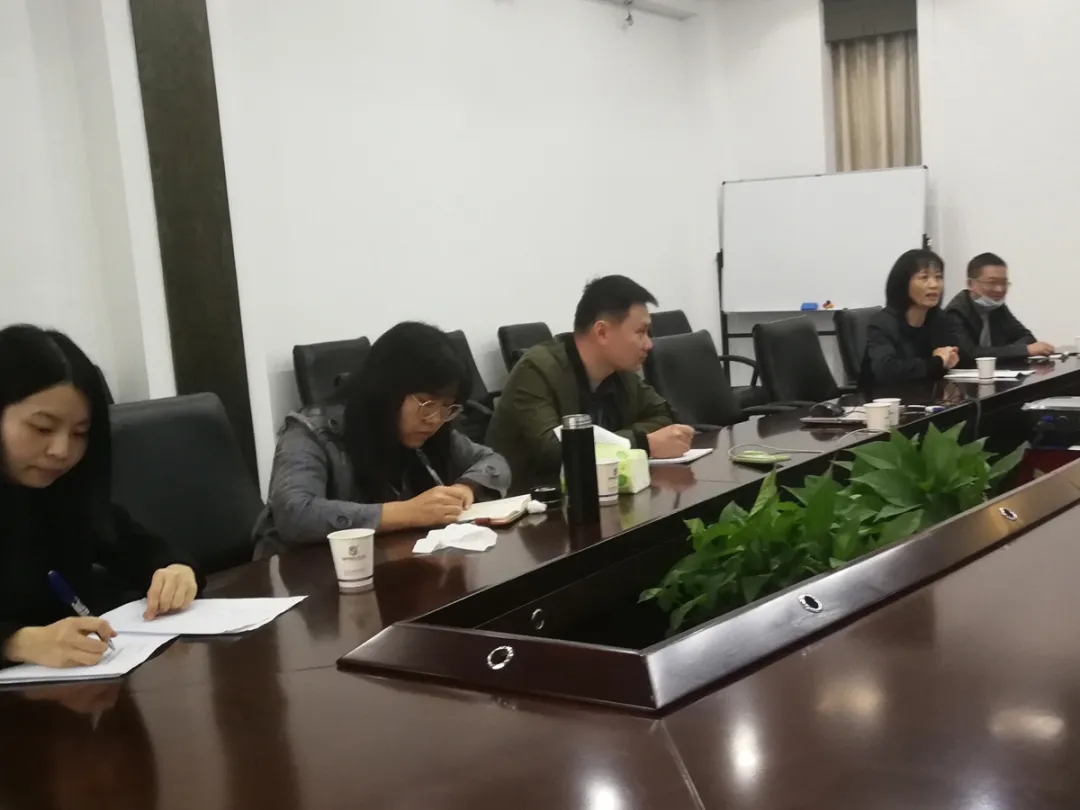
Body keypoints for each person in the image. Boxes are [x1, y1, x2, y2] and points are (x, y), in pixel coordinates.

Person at [0, 325, 200, 669]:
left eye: (80, 433)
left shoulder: (62, 492)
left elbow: (138, 546)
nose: (61, 450)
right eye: (42, 428)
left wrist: (175, 571)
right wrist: (15, 642)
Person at [254, 322, 511, 557]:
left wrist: (466, 488)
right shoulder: (311, 431)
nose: (435, 419)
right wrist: (406, 513)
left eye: (447, 406)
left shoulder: (428, 428)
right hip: (301, 577)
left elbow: (492, 461)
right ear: (388, 390)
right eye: (427, 403)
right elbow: (295, 514)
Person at [485, 275, 691, 491]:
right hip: (529, 501)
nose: (649, 344)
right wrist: (641, 443)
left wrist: (612, 441)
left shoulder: (620, 371)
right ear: (602, 332)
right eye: (640, 332)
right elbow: (555, 451)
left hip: (597, 491)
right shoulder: (537, 370)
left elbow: (664, 415)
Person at [862, 249, 972, 387]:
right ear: (903, 283)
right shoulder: (883, 323)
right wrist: (937, 361)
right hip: (884, 397)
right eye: (924, 277)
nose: (934, 285)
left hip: (927, 396)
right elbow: (887, 370)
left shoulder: (939, 319)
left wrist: (952, 356)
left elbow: (961, 358)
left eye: (938, 277)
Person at [945, 252, 1054, 361]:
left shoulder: (997, 306)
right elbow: (969, 354)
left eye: (1004, 283)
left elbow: (1028, 338)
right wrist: (1023, 350)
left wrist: (1009, 351)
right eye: (992, 282)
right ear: (970, 284)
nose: (1000, 289)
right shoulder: (955, 312)